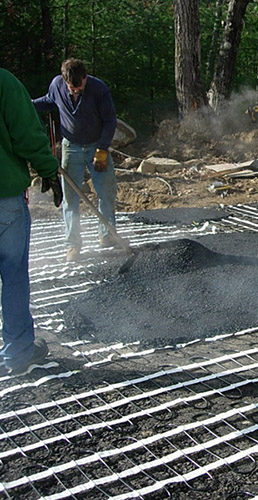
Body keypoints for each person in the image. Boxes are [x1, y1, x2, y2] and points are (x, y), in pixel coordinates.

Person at [0, 67, 62, 375]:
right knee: (12, 277)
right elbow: (25, 134)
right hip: (4, 198)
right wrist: (48, 168)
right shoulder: (4, 82)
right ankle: (17, 353)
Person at [33, 59, 118, 262]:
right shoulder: (57, 86)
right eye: (72, 87)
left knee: (106, 192)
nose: (75, 91)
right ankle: (73, 246)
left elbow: (110, 120)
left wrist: (103, 149)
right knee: (70, 198)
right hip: (71, 148)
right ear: (64, 81)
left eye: (79, 86)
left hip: (96, 146)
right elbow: (48, 101)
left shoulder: (99, 90)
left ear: (85, 78)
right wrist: (26, 106)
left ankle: (107, 236)